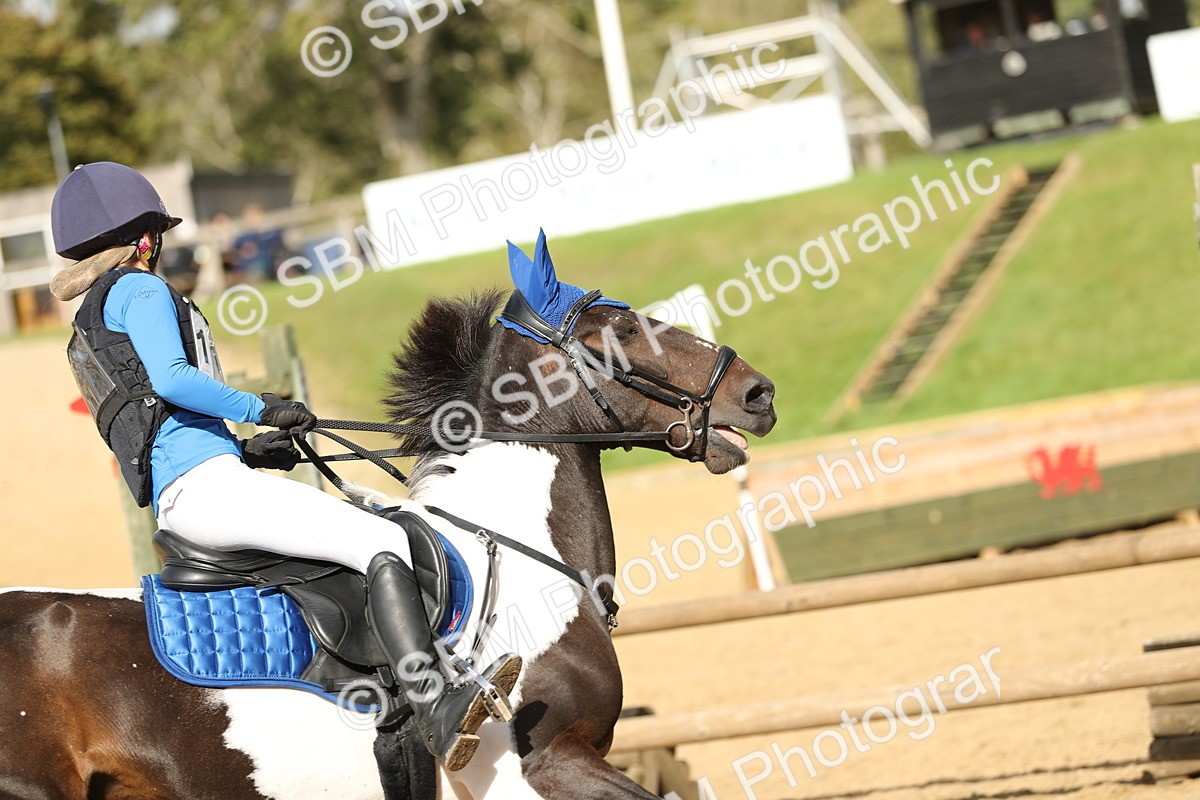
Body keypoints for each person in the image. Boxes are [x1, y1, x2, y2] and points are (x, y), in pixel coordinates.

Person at [48, 162, 518, 770]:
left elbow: (154, 422)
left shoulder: (89, 326)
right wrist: (260, 408)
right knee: (381, 539)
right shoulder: (141, 289)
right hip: (209, 493)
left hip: (190, 491)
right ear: (146, 239)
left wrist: (245, 449)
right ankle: (437, 704)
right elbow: (172, 379)